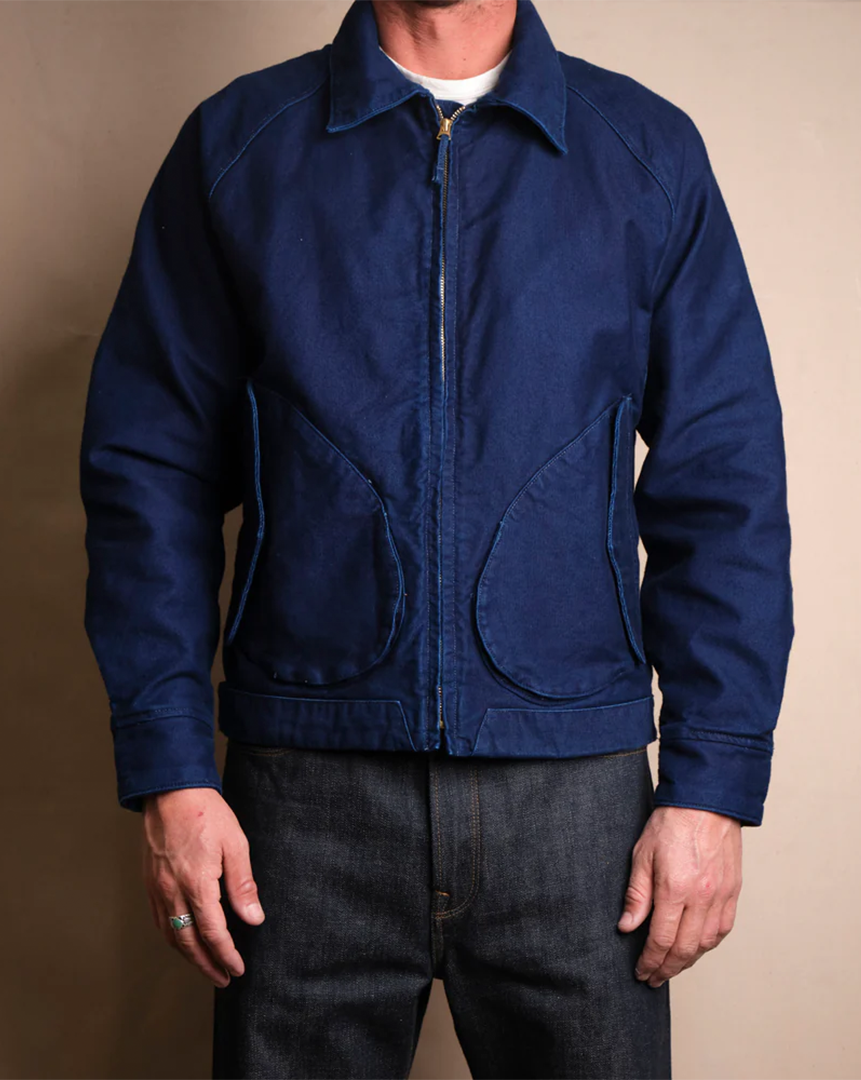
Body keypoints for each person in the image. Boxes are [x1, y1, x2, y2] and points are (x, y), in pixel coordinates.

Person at [78, 0, 794, 1075]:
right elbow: (149, 472)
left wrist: (712, 785)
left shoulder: (644, 151)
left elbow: (725, 483)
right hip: (303, 799)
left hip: (576, 804)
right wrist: (171, 769)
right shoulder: (240, 144)